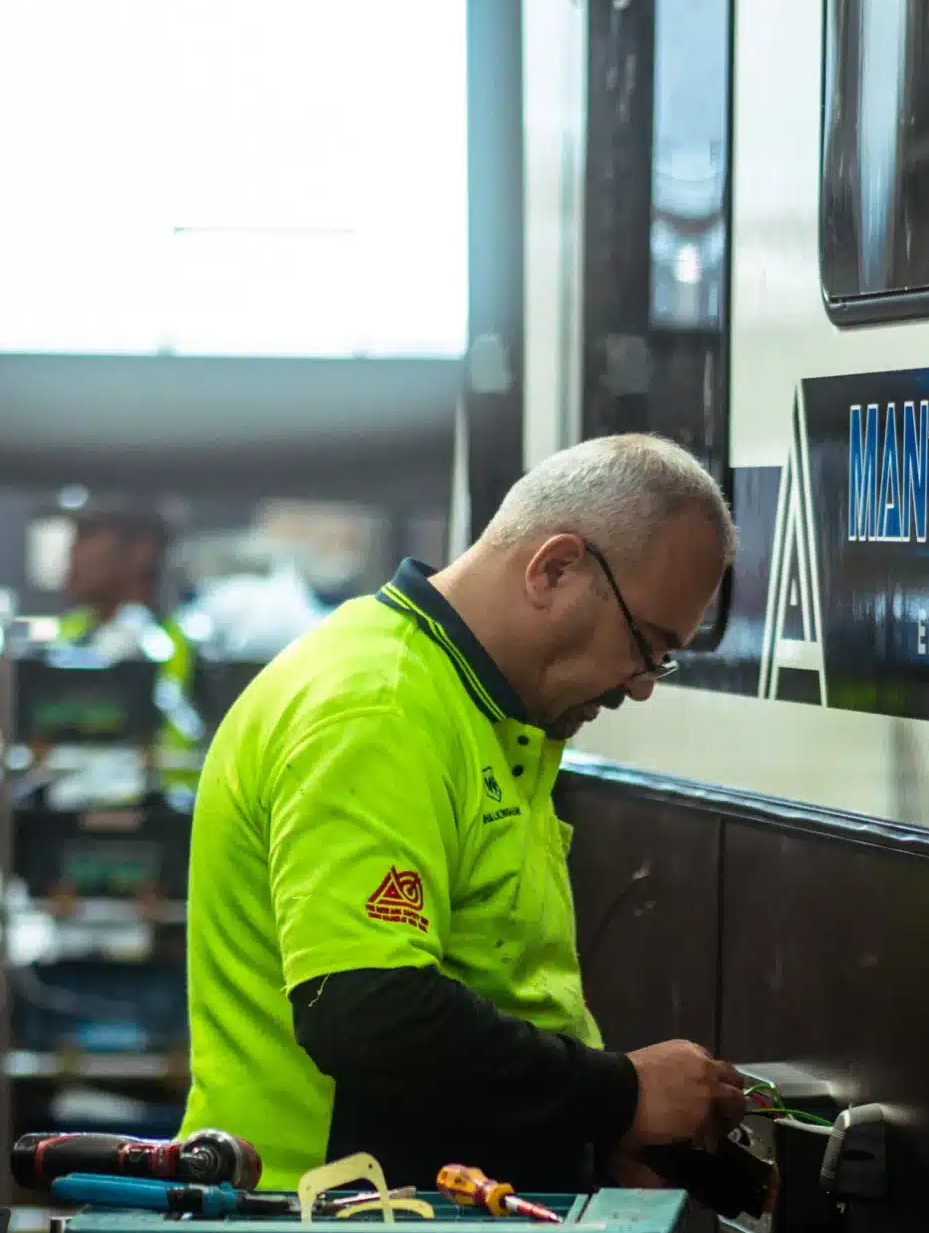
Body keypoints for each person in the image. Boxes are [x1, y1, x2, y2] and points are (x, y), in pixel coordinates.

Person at [181, 434, 746, 1191]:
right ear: (554, 568)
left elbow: (487, 1002)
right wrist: (621, 1095)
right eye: (645, 643)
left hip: (409, 1232)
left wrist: (591, 1135)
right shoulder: (380, 706)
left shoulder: (484, 717)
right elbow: (367, 1011)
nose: (642, 684)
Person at [50, 492, 203, 786]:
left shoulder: (180, 645)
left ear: (142, 549)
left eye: (88, 535)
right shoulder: (70, 633)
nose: (72, 551)